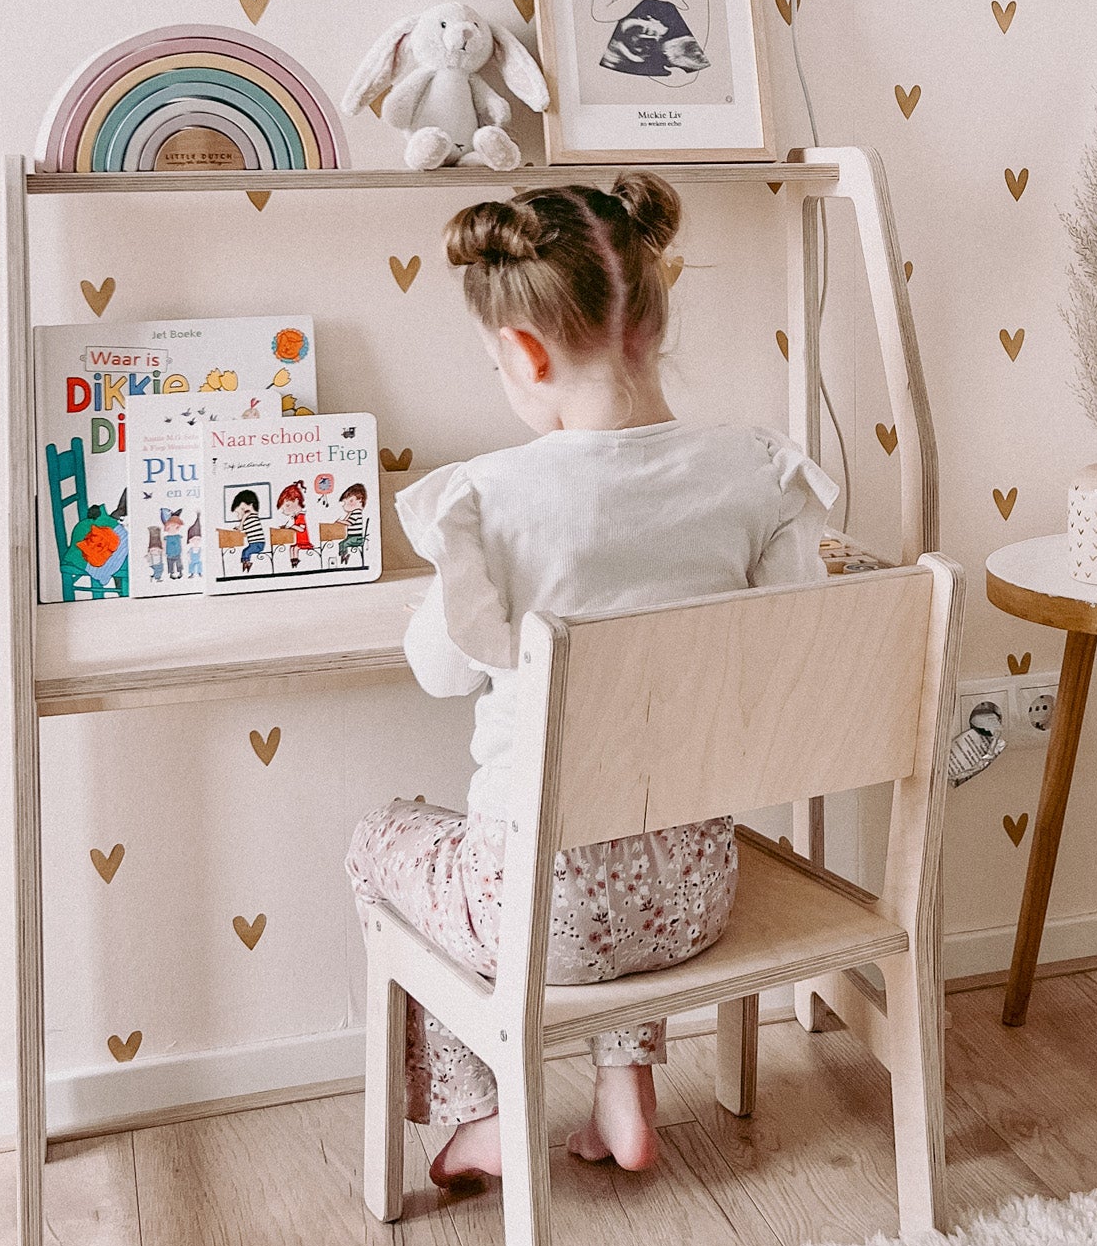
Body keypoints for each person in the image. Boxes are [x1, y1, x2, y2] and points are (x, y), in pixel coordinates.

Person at [347, 172, 836, 1185]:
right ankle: (624, 1091)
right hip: (697, 890)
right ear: (654, 317)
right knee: (636, 791)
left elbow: (438, 670)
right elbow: (794, 635)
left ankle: (480, 1112)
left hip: (542, 917)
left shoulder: (488, 498)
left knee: (381, 839)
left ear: (522, 353)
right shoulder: (755, 471)